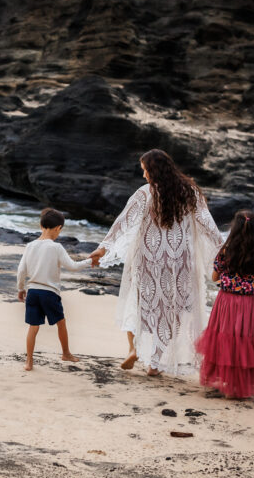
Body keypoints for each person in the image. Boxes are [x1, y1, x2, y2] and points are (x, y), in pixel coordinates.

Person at [88, 149, 222, 376]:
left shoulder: (144, 193)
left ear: (154, 170)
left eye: (145, 170)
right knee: (175, 310)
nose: (144, 176)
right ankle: (156, 360)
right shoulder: (190, 192)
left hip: (149, 259)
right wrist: (224, 249)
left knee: (145, 306)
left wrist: (103, 248)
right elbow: (207, 224)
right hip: (180, 261)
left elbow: (123, 222)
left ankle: (140, 351)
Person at [195, 210, 254, 398]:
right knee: (243, 341)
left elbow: (215, 277)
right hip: (248, 305)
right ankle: (239, 385)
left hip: (225, 302)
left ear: (234, 230)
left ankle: (223, 380)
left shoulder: (225, 252)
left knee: (223, 339)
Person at [17, 207, 97, 371]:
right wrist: (90, 261)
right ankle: (66, 353)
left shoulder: (30, 246)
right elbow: (73, 267)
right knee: (61, 323)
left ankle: (29, 362)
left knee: (33, 327)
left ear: (41, 225)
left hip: (32, 292)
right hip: (49, 293)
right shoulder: (56, 247)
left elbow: (21, 271)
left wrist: (20, 289)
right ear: (58, 228)